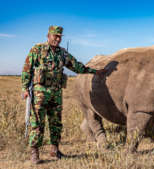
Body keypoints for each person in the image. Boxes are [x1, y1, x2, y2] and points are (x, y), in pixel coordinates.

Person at [21, 25, 106, 164]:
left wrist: (95, 72)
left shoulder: (62, 53)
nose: (58, 39)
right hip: (39, 93)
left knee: (56, 124)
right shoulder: (37, 49)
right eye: (55, 36)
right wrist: (25, 88)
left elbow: (77, 66)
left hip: (56, 93)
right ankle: (34, 153)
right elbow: (27, 68)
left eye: (60, 37)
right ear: (48, 36)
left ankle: (55, 150)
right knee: (37, 123)